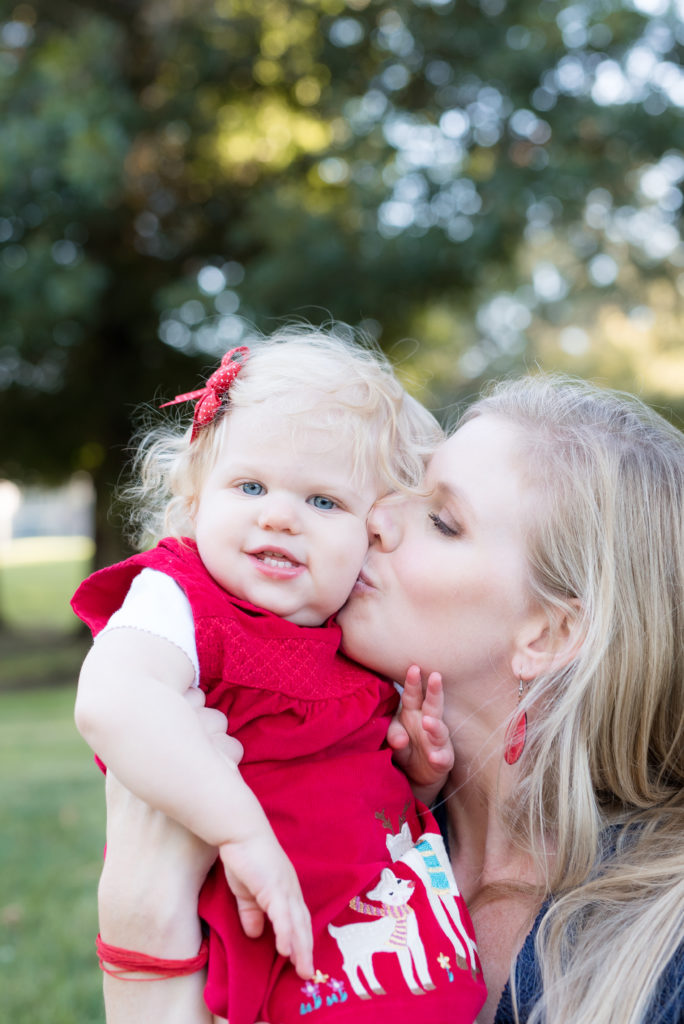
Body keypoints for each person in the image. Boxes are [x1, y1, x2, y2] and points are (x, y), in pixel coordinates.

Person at [95, 371, 684, 1024]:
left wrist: (140, 919)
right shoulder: (301, 769)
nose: (374, 516)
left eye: (440, 519)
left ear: (548, 634)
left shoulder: (660, 954)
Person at [71, 328, 487, 1024]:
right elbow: (114, 699)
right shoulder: (180, 597)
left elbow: (357, 798)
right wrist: (240, 833)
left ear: (373, 532)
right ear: (197, 500)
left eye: (324, 502)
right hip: (275, 965)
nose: (279, 515)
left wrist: (418, 776)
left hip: (405, 969)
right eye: (251, 485)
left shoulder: (348, 629)